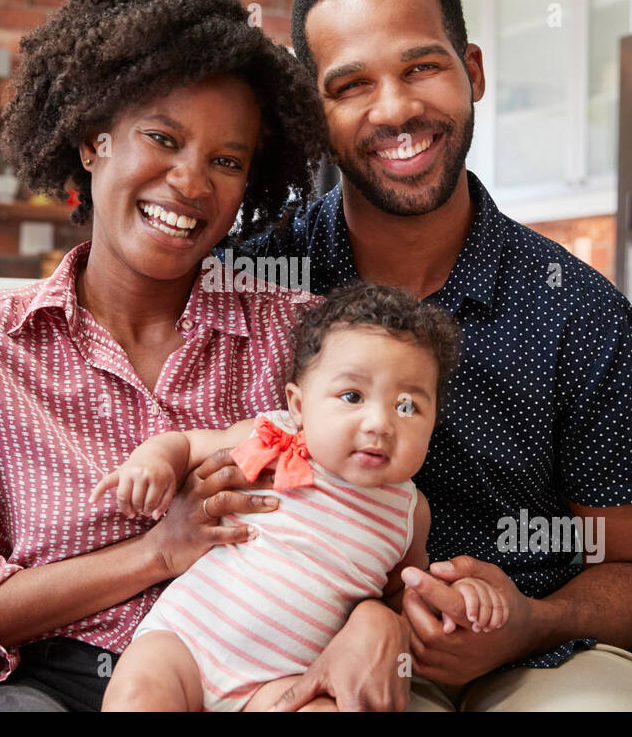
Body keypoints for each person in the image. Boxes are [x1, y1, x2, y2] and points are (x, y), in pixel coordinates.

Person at [0, 0, 632, 712]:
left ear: (471, 72)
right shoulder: (265, 276)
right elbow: (50, 477)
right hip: (298, 654)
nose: (396, 108)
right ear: (317, 111)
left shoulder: (570, 308)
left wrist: (502, 622)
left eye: (422, 67)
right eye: (350, 85)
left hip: (515, 647)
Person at [0, 0, 331, 712]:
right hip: (45, 683)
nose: (191, 182)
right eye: (162, 138)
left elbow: (373, 509)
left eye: (226, 161)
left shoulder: (299, 332)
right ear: (91, 140)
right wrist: (152, 553)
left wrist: (377, 623)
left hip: (244, 682)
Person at [96, 282, 504, 711]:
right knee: (138, 693)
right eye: (352, 396)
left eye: (407, 406)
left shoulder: (409, 511)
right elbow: (185, 443)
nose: (380, 423)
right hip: (186, 644)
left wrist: (454, 600)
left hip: (288, 683)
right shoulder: (271, 436)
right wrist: (154, 461)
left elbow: (399, 594)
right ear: (298, 404)